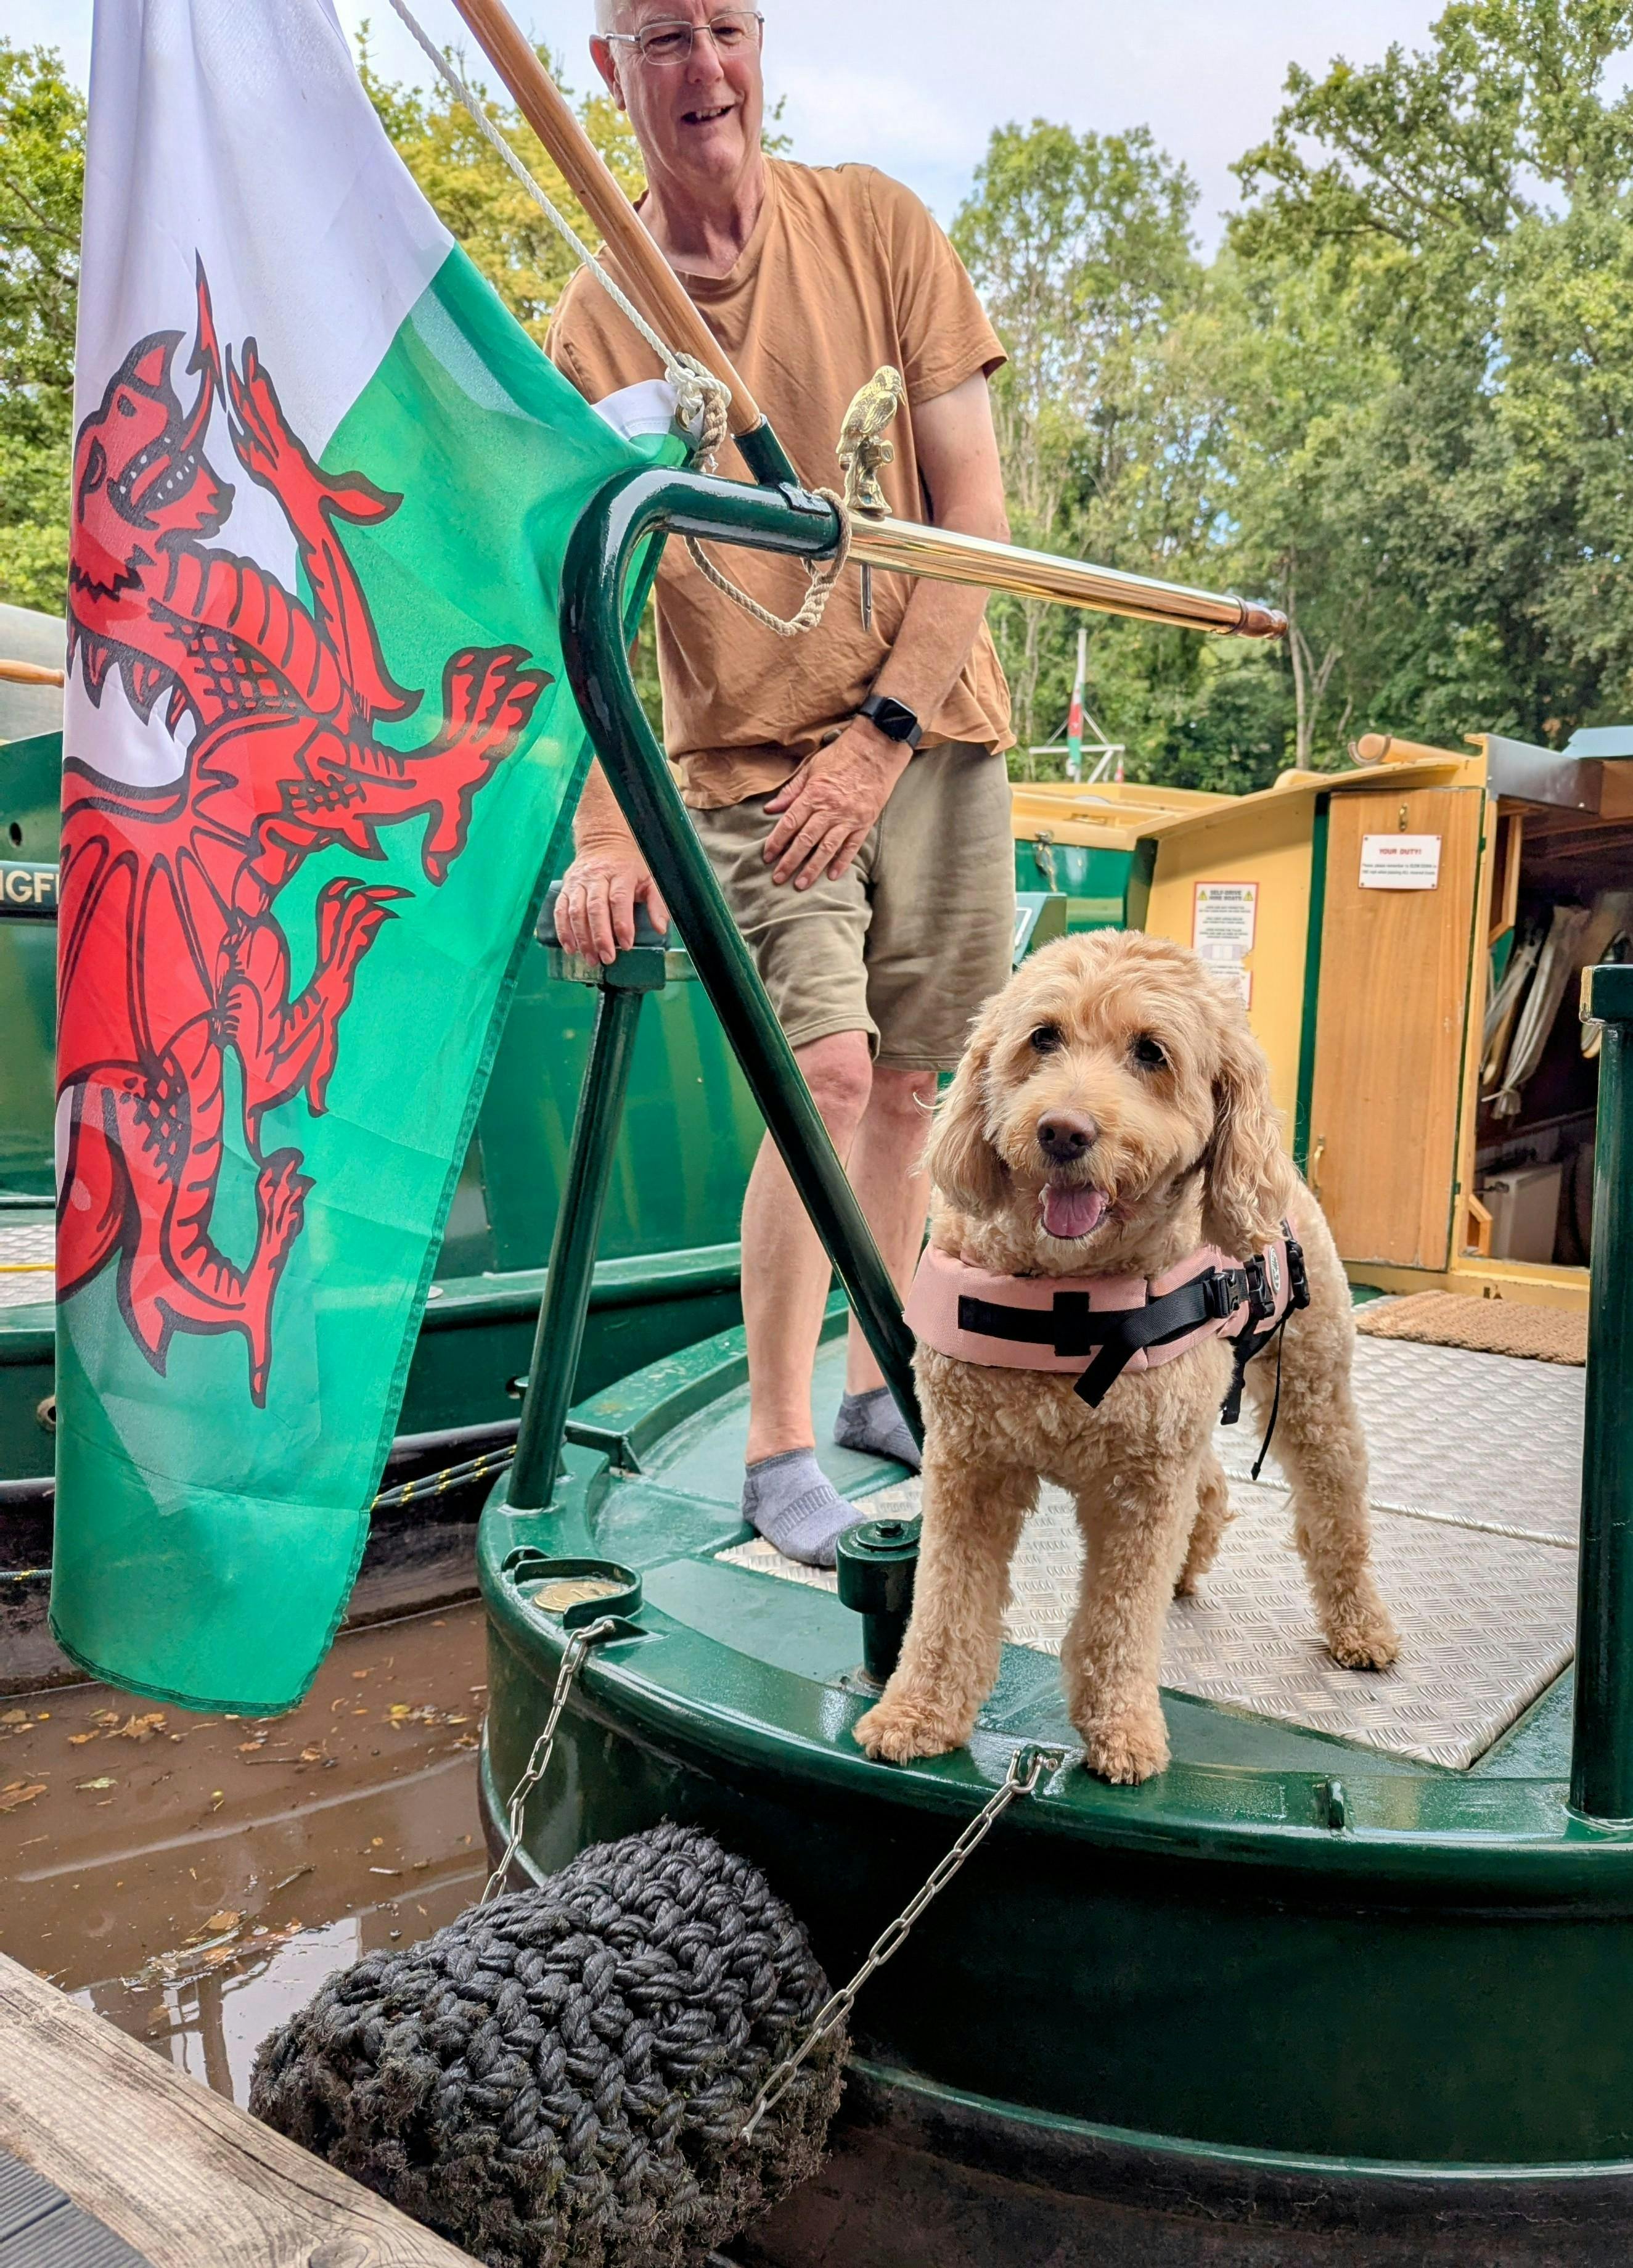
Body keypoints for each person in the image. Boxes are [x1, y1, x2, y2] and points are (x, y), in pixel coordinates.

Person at [549, 0, 1015, 1566]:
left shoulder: (878, 224)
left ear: (762, 46)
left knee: (907, 1086)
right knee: (817, 1080)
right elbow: (588, 590)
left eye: (723, 26)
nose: (702, 66)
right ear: (608, 70)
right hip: (752, 761)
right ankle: (775, 1446)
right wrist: (608, 833)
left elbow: (975, 514)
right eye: (659, 35)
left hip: (928, 727)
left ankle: (888, 1375)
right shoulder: (591, 331)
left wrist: (882, 736)